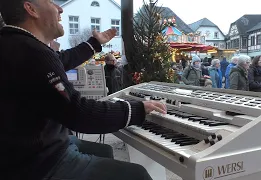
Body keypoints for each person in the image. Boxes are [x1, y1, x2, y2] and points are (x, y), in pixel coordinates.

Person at [0, 1, 167, 180]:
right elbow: (79, 113)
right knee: (137, 174)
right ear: (31, 9)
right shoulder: (32, 52)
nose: (60, 8)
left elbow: (61, 60)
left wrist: (94, 44)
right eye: (49, 1)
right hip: (38, 165)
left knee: (105, 150)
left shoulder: (13, 43)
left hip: (20, 155)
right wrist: (137, 109)